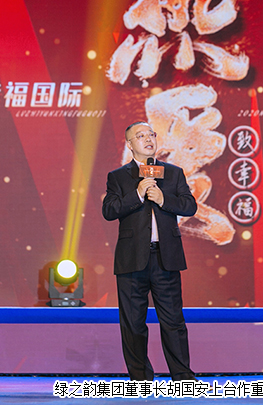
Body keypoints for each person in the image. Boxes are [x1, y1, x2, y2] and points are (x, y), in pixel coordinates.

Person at [102, 121, 197, 381]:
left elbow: (189, 206)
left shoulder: (173, 173)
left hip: (166, 258)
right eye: (140, 136)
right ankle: (141, 378)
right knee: (133, 323)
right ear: (130, 144)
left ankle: (183, 378)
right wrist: (137, 194)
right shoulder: (118, 177)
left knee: (173, 321)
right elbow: (109, 211)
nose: (148, 139)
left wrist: (164, 199)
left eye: (151, 134)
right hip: (132, 259)